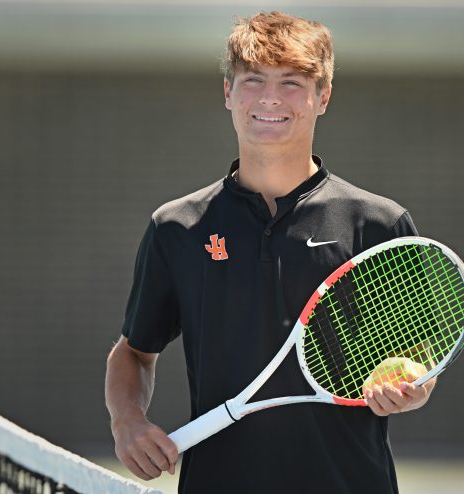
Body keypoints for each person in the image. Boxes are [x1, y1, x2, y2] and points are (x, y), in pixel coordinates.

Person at [105, 11, 436, 494]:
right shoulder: (176, 227)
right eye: (253, 80)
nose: (271, 98)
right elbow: (134, 352)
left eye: (293, 82)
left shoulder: (379, 223)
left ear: (323, 96)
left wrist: (407, 387)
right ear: (228, 93)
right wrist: (128, 423)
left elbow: (417, 357)